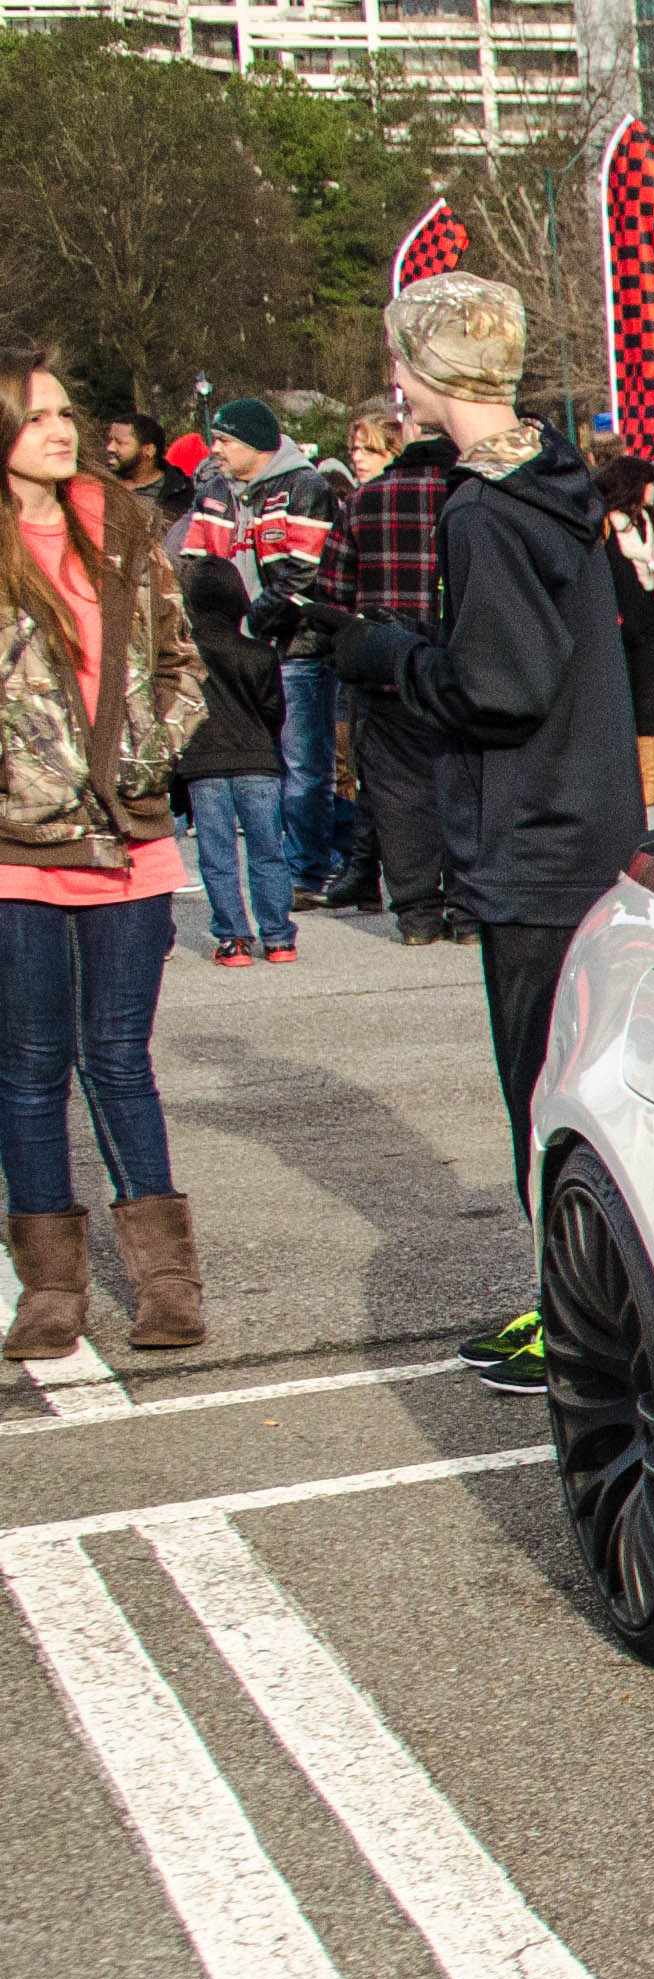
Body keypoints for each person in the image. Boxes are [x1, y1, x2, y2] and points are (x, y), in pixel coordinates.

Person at [332, 273, 644, 1397]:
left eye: (398, 363)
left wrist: (383, 656)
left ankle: (575, 1315)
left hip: (535, 842)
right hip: (578, 828)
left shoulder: (483, 509)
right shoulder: (548, 482)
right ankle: (574, 1299)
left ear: (422, 370)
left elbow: (498, 691)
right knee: (568, 1091)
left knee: (544, 1097)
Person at [0, 347, 211, 1360]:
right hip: (15, 849)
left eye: (62, 411)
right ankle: (50, 1291)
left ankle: (165, 1286)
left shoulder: (121, 523)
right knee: (32, 1068)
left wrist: (149, 756)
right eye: (35, 415)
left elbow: (179, 659)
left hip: (129, 838)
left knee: (118, 1060)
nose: (59, 428)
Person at [327, 368, 471, 944]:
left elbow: (333, 592)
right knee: (463, 788)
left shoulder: (363, 503)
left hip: (386, 670)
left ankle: (416, 914)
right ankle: (466, 911)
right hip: (458, 668)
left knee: (397, 795)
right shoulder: (466, 500)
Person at [171, 483, 297, 967]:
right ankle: (279, 935)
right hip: (257, 761)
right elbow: (273, 709)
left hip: (204, 762)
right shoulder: (257, 653)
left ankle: (233, 938)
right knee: (268, 851)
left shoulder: (183, 656)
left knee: (218, 856)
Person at [594, 454, 654, 811]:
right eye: (647, 483)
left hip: (653, 619)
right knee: (617, 704)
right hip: (620, 625)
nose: (652, 490)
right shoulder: (607, 525)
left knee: (647, 704)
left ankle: (648, 787)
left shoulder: (650, 521)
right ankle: (619, 782)